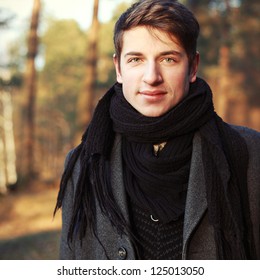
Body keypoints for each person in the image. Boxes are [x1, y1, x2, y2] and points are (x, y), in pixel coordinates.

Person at [55, 0, 260, 260]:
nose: (152, 76)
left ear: (193, 66)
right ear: (119, 68)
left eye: (168, 58)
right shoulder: (82, 165)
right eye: (136, 59)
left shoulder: (251, 154)